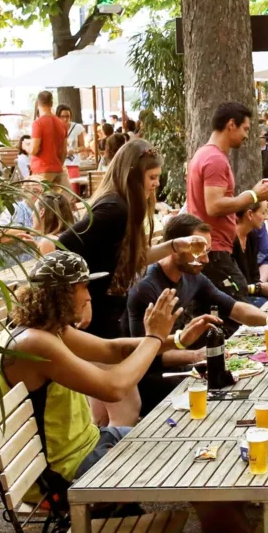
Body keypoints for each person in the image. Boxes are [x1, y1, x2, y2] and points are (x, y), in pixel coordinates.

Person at [0, 252, 213, 483]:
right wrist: (154, 338)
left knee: (190, 450)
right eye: (84, 288)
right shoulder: (34, 343)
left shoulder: (46, 329)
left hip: (92, 441)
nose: (89, 297)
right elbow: (114, 388)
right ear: (63, 293)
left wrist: (178, 340)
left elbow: (112, 350)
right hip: (68, 469)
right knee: (192, 467)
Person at [56, 138, 190, 424]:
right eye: (152, 178)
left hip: (104, 318)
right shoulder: (116, 209)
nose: (156, 184)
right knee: (128, 406)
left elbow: (128, 262)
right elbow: (62, 245)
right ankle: (112, 466)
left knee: (102, 415)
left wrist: (174, 245)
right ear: (133, 176)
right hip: (96, 320)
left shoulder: (119, 207)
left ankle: (100, 455)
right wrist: (82, 297)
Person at [125, 214, 268, 411]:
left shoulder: (193, 277)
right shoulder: (146, 287)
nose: (206, 259)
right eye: (199, 250)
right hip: (152, 378)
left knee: (245, 384)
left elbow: (236, 308)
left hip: (183, 368)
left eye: (207, 251)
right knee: (223, 397)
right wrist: (196, 356)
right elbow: (146, 355)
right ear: (175, 247)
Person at [186, 101, 268, 290]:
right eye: (245, 129)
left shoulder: (205, 154)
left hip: (213, 248)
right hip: (214, 249)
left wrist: (252, 194)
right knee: (237, 303)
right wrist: (253, 196)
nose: (246, 135)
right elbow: (213, 206)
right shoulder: (214, 159)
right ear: (231, 125)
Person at [28, 90, 68, 190]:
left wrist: (25, 146)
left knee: (38, 202)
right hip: (57, 169)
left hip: (42, 169)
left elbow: (34, 150)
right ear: (51, 103)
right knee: (54, 202)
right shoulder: (62, 124)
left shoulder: (38, 123)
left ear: (37, 103)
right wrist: (59, 164)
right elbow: (64, 151)